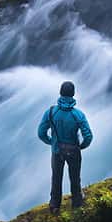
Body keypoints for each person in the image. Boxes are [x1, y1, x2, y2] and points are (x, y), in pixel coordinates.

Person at [38, 81, 92, 214]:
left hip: (57, 151)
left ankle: (55, 205)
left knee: (56, 178)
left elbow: (41, 133)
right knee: (75, 178)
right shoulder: (78, 115)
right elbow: (88, 136)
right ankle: (77, 203)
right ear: (73, 94)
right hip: (74, 151)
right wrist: (81, 146)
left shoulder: (50, 112)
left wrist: (51, 142)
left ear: (60, 93)